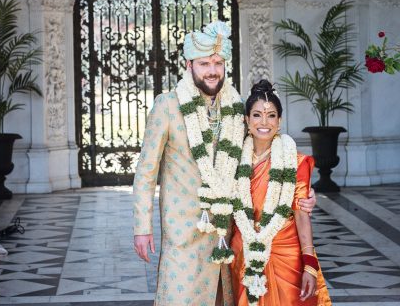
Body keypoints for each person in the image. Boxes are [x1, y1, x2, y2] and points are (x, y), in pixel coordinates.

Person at [133, 22, 316, 306]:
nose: (212, 70)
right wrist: (142, 228)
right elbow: (146, 172)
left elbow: (261, 158)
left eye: (218, 63)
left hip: (227, 232)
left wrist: (301, 191)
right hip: (182, 233)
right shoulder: (167, 106)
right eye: (204, 63)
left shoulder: (237, 107)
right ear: (188, 64)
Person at [230, 80, 331, 306]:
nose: (264, 122)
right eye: (257, 115)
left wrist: (309, 263)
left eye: (271, 115)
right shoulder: (232, 161)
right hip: (243, 251)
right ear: (247, 120)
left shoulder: (295, 162)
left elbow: (301, 214)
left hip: (286, 253)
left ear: (280, 121)